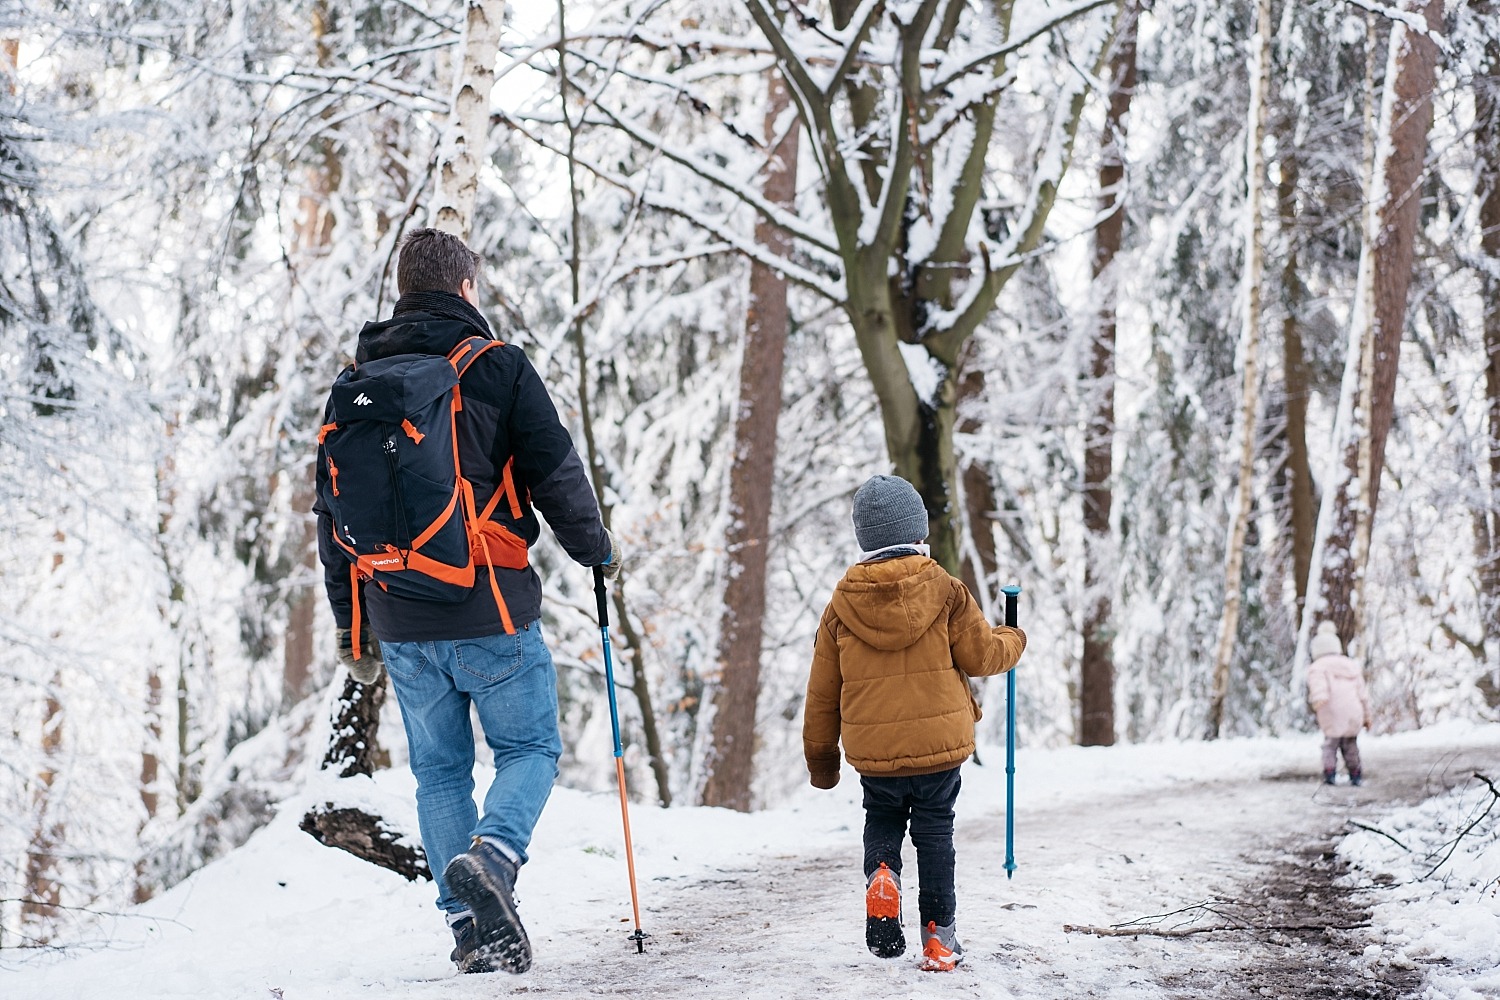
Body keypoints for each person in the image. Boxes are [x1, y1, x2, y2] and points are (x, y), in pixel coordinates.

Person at [314, 227, 620, 975]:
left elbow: (331, 517)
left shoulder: (354, 384)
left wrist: (353, 634)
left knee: (440, 774)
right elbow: (556, 472)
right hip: (490, 607)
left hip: (397, 616)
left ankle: (467, 931)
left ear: (402, 289)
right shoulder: (497, 368)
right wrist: (597, 551)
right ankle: (495, 858)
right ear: (466, 288)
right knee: (530, 749)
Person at [802, 474, 1026, 971]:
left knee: (881, 818)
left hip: (874, 754)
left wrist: (822, 762)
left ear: (864, 538)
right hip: (938, 748)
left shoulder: (839, 607)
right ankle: (939, 939)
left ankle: (883, 874)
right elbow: (984, 655)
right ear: (919, 532)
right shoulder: (946, 590)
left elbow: (822, 694)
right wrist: (1014, 636)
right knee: (935, 834)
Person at [1306, 620, 1372, 786]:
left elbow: (1318, 686)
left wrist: (1319, 698)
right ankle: (1355, 774)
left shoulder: (1317, 667)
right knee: (1350, 745)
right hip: (1353, 711)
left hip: (1332, 711)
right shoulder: (1350, 665)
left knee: (1330, 745)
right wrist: (1367, 716)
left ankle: (1329, 773)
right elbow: (1362, 693)